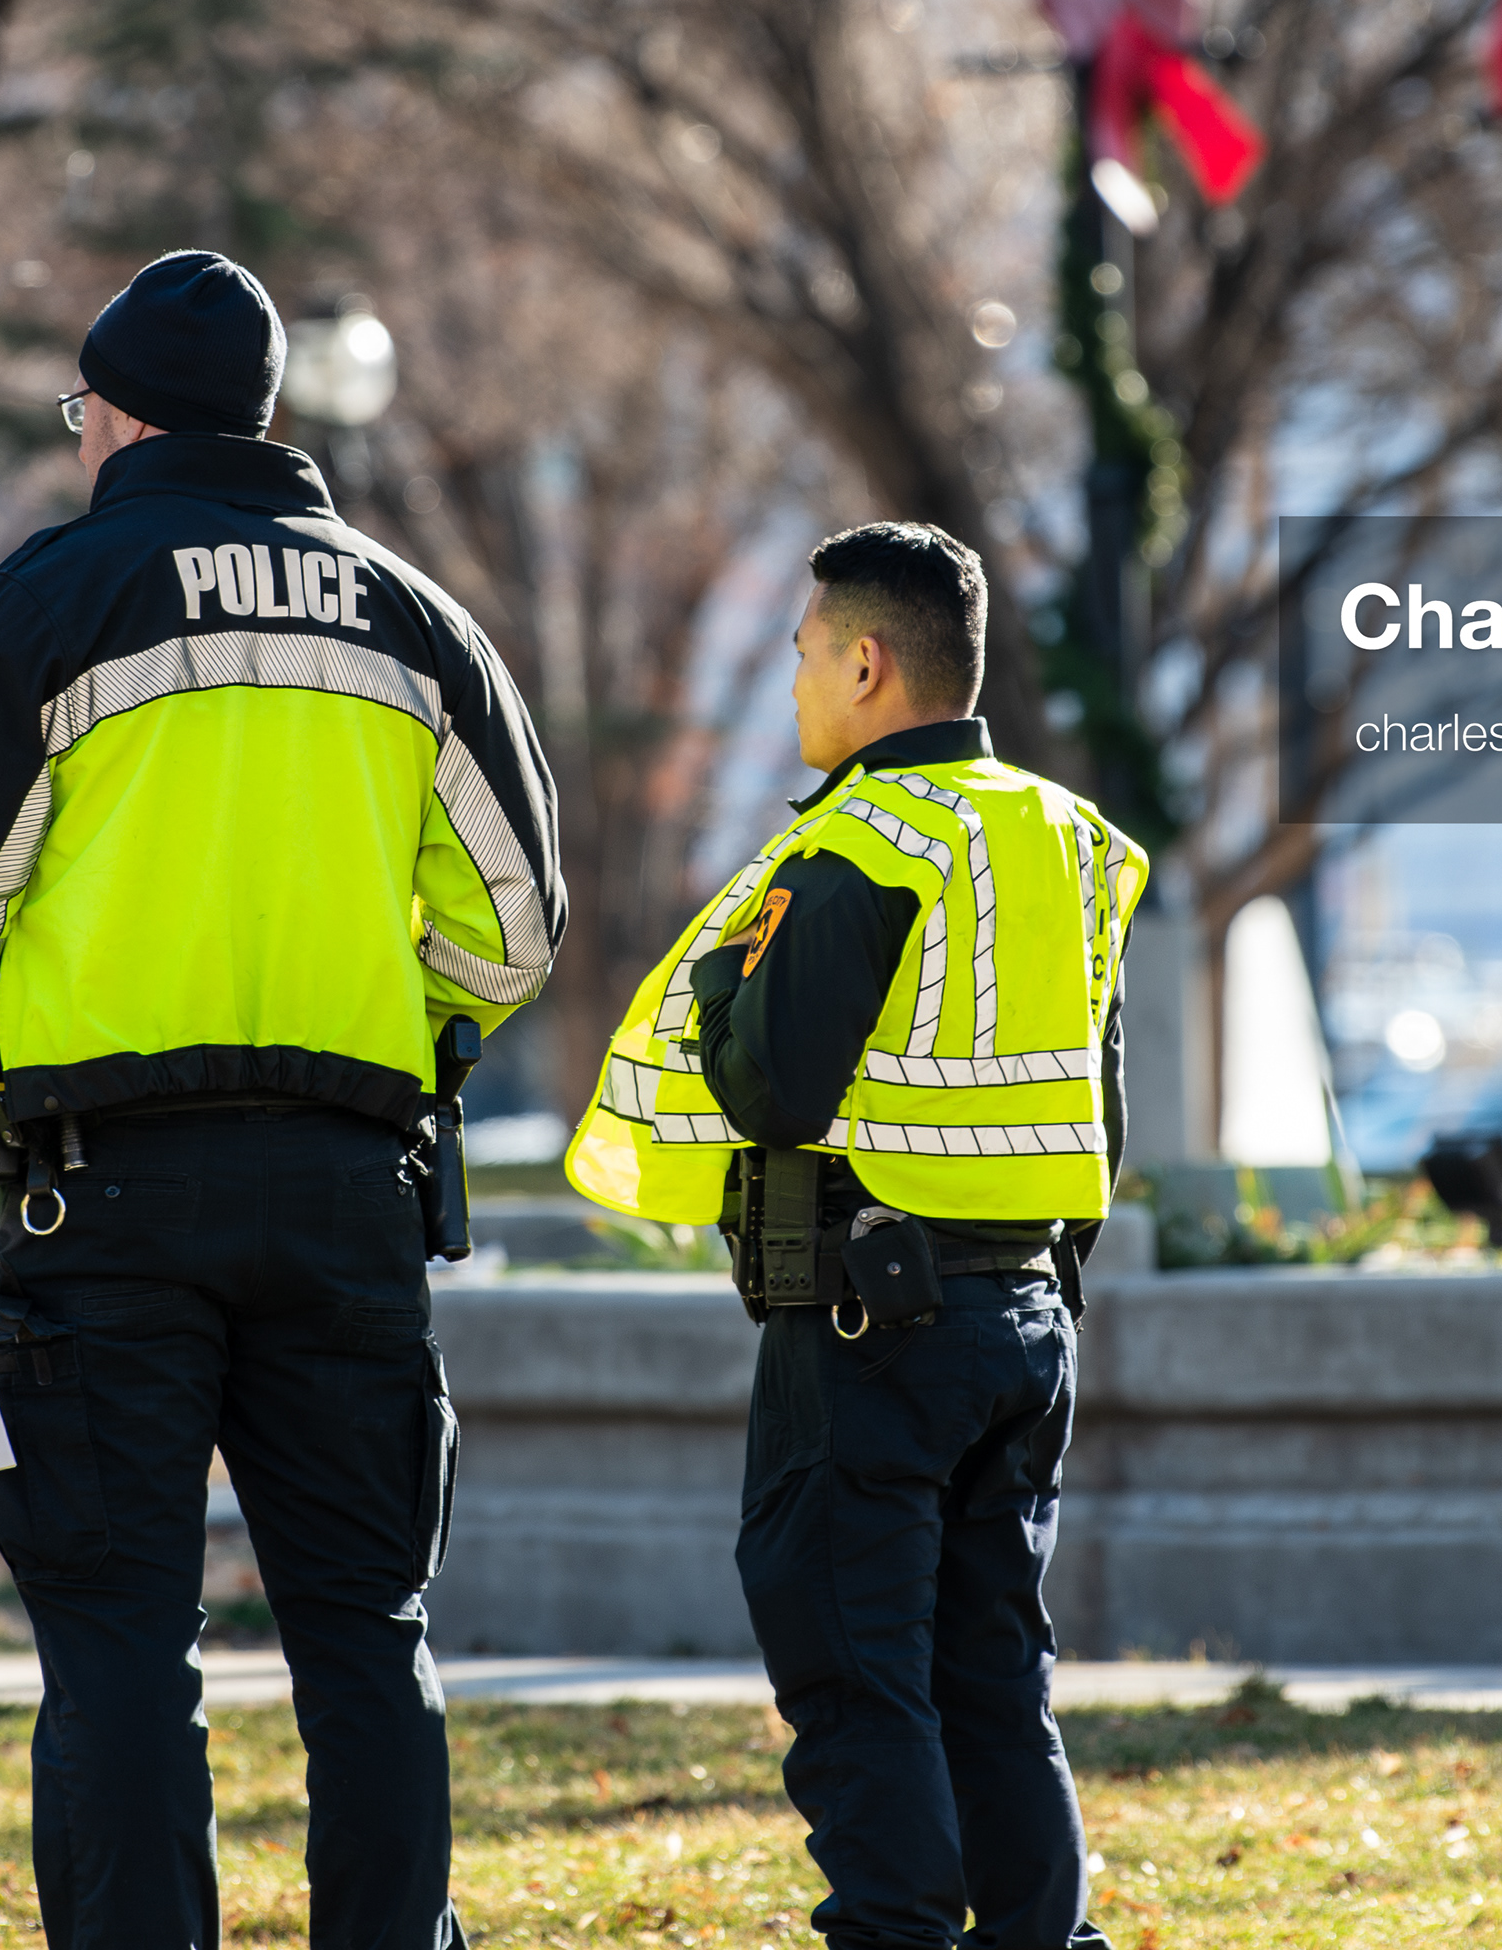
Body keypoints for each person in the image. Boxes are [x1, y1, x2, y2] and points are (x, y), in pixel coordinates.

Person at [0, 248, 565, 1950]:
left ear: (115, 414)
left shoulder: (48, 602)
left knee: (119, 1655)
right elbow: (515, 937)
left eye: (78, 409)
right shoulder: (412, 615)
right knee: (367, 1635)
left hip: (100, 1212)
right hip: (344, 1194)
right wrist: (389, 1022)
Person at [565, 521, 1141, 1950]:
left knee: (855, 1673)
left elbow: (771, 1085)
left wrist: (712, 993)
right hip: (1026, 1319)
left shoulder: (859, 841)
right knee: (995, 1670)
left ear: (870, 664)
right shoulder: (1064, 840)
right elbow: (1096, 1110)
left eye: (808, 653)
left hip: (867, 1324)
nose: (799, 681)